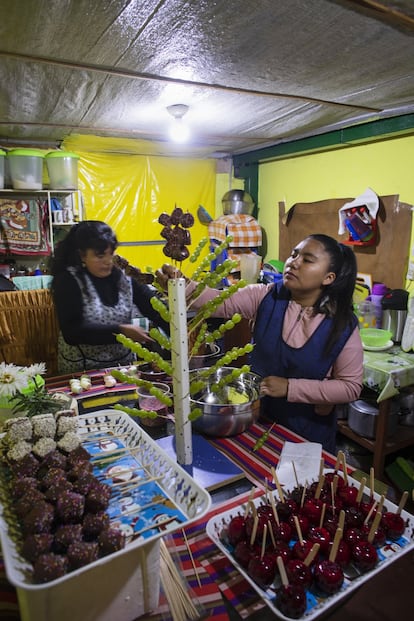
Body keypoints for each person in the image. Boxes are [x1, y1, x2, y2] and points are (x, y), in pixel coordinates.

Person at [157, 233, 363, 453]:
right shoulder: (265, 296)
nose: (293, 262)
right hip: (256, 421)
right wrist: (183, 285)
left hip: (307, 434)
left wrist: (290, 387)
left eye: (307, 259)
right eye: (294, 255)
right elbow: (216, 302)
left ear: (328, 278)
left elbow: (350, 386)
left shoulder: (342, 324)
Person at [51, 220, 169, 373]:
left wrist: (181, 331)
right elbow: (72, 332)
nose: (108, 261)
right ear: (82, 255)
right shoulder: (68, 281)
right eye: (100, 256)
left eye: (111, 253)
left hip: (124, 367)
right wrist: (121, 331)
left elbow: (156, 310)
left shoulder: (123, 279)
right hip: (83, 370)